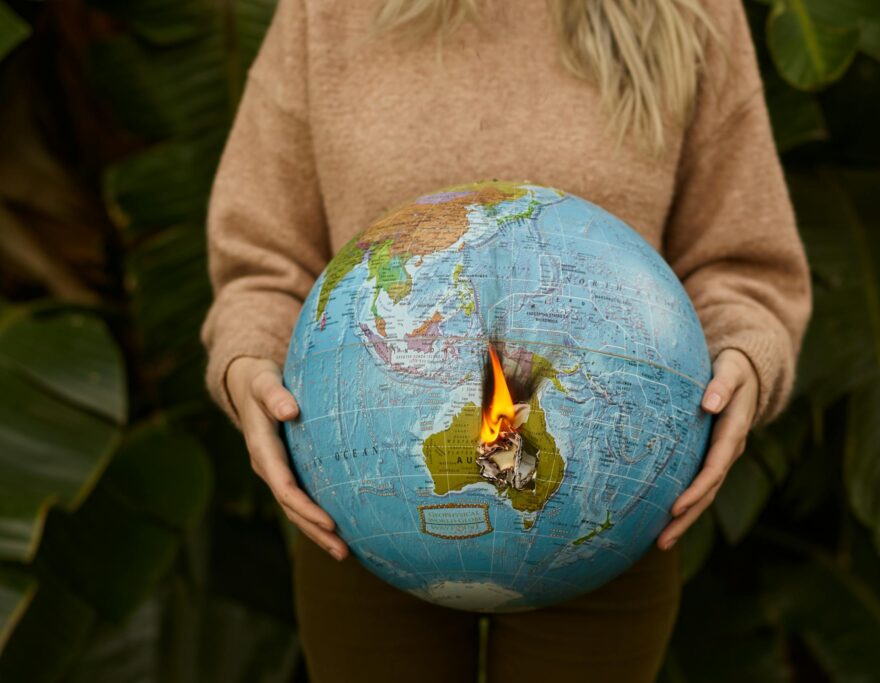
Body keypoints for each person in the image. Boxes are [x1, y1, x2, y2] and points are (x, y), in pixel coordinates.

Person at [199, 0, 812, 680]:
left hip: (605, 506)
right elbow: (263, 261)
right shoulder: (326, 13)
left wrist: (747, 355)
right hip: (365, 502)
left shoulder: (692, 12)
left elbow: (742, 264)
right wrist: (245, 360)